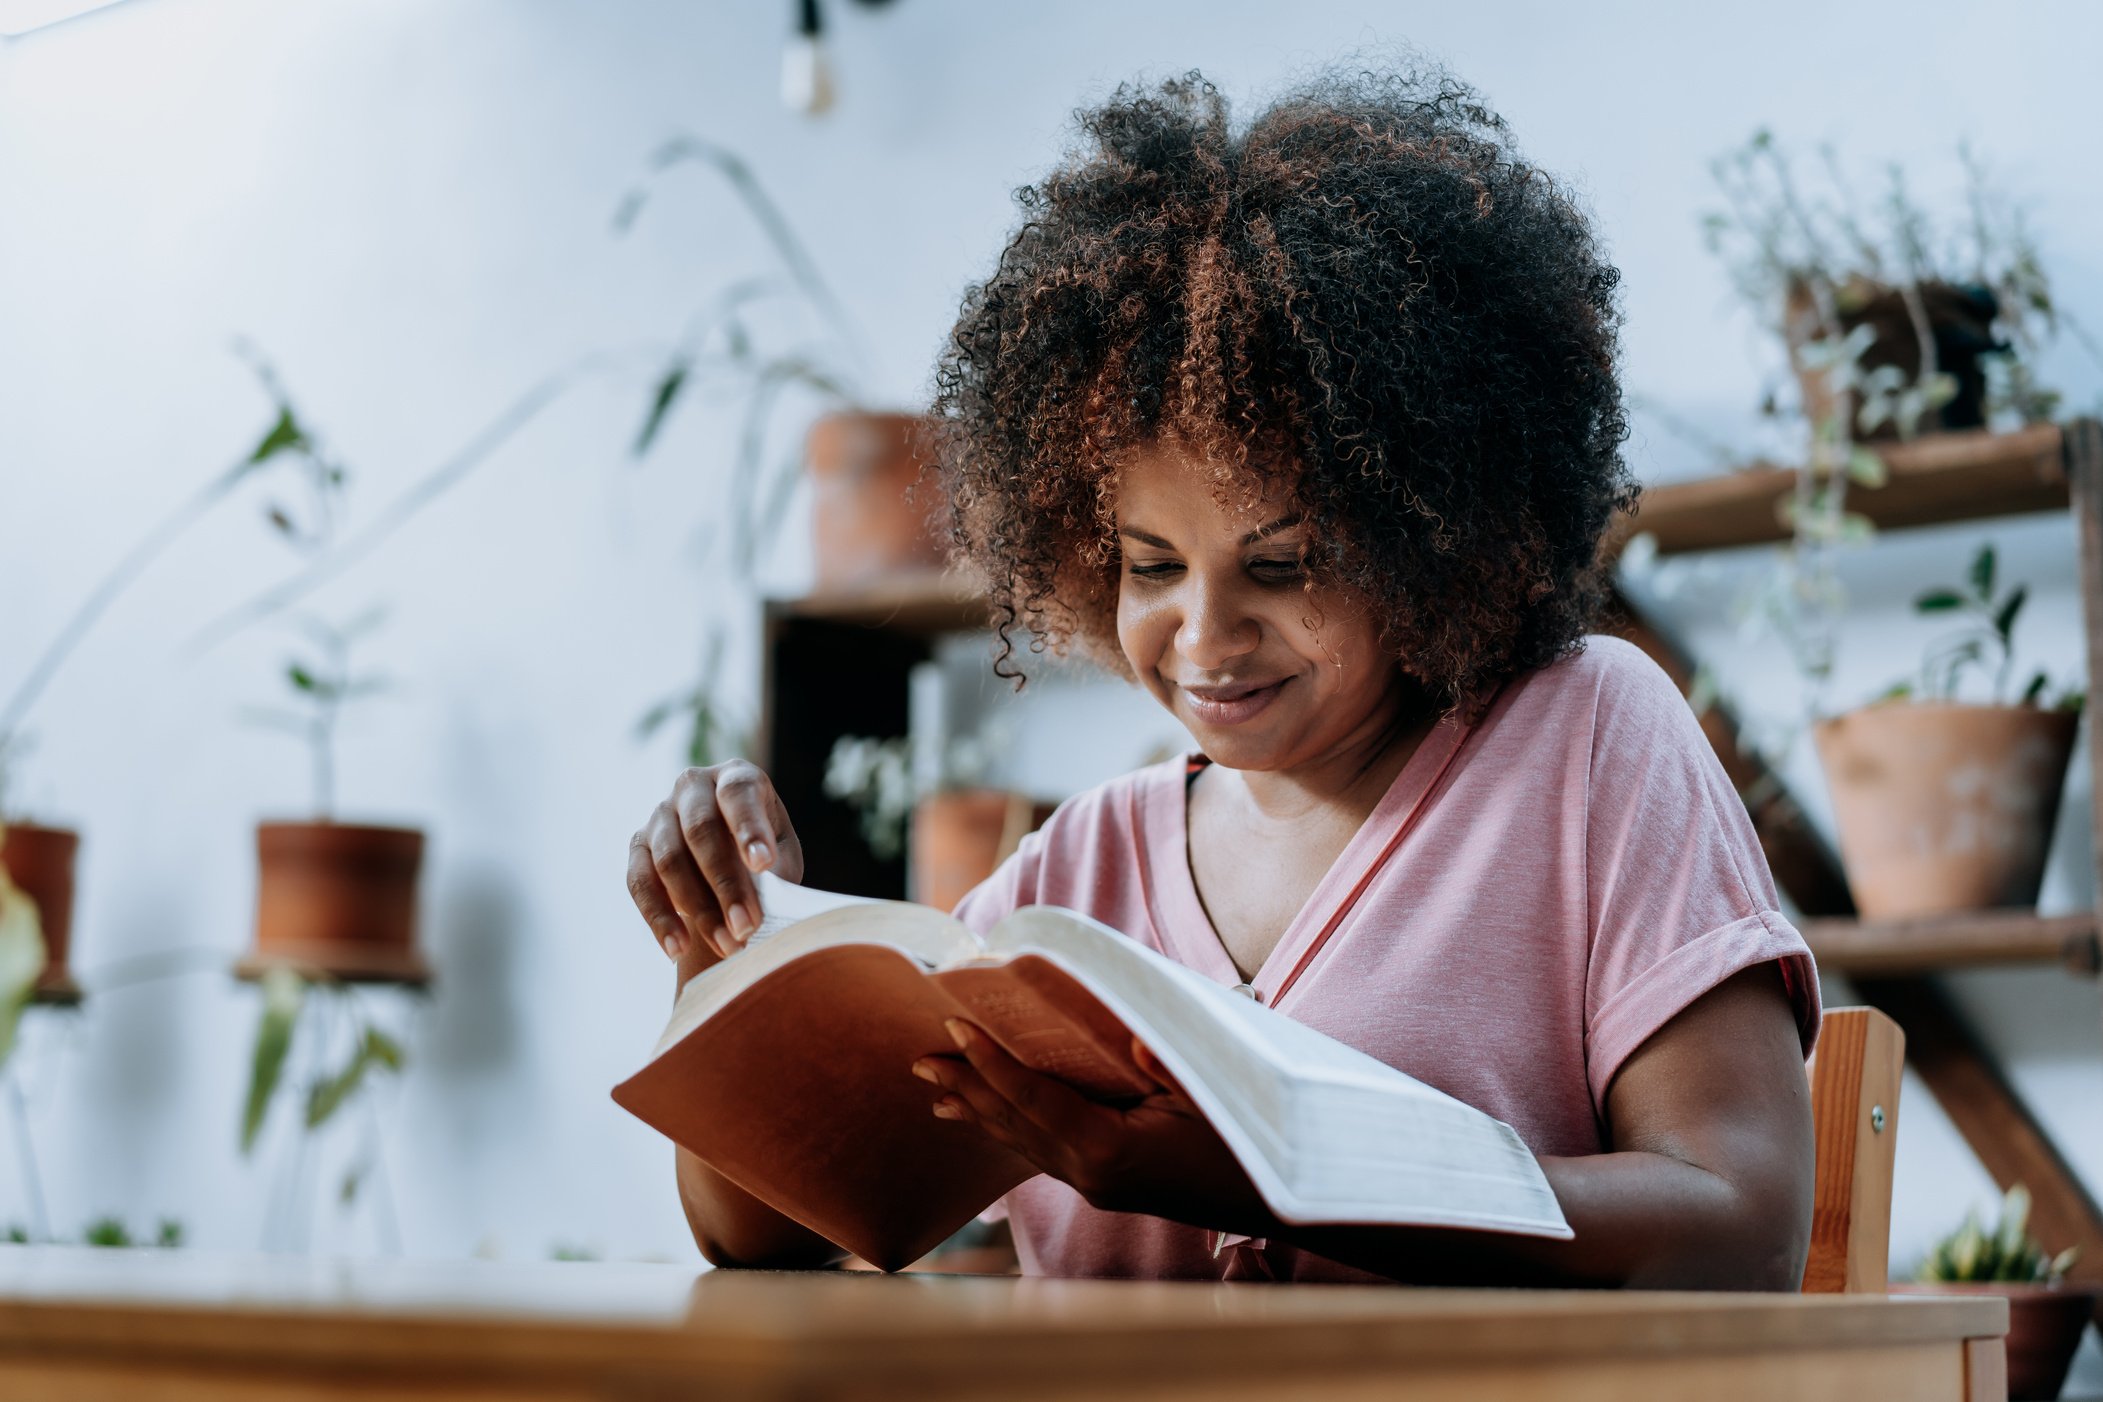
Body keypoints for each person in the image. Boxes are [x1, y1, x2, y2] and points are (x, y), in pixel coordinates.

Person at [625, 66, 1819, 1287]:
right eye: (1150, 566)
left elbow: (1742, 1223)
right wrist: (730, 964)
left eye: (1282, 564)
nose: (1203, 636)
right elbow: (762, 1231)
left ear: (1434, 531)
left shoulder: (1586, 744)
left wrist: (1271, 1176)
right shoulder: (1076, 877)